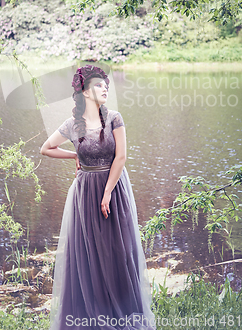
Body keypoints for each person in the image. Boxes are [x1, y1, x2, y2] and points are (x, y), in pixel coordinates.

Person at [40, 65, 156, 330]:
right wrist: (75, 156)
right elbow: (46, 148)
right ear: (85, 92)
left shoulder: (114, 118)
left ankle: (124, 315)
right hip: (85, 193)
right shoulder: (72, 124)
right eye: (99, 85)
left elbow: (122, 157)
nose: (105, 88)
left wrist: (107, 193)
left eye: (106, 85)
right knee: (88, 253)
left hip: (114, 190)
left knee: (118, 251)